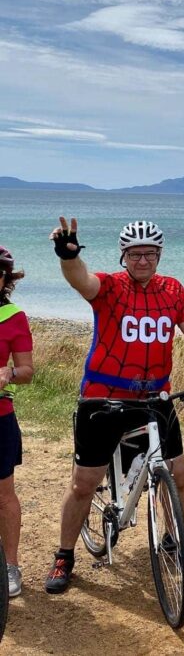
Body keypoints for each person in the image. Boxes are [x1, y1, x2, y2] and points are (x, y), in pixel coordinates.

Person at [44, 217, 184, 594]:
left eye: (150, 253)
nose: (142, 260)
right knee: (83, 484)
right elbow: (81, 279)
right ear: (123, 256)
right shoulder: (110, 286)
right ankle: (65, 554)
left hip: (155, 399)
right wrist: (68, 255)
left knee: (176, 475)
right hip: (102, 397)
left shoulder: (173, 289)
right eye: (135, 254)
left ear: (159, 255)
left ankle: (173, 538)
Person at [0, 247, 34, 599]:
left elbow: (26, 372)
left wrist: (9, 372)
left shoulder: (13, 316)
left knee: (3, 497)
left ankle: (10, 566)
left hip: (0, 417)